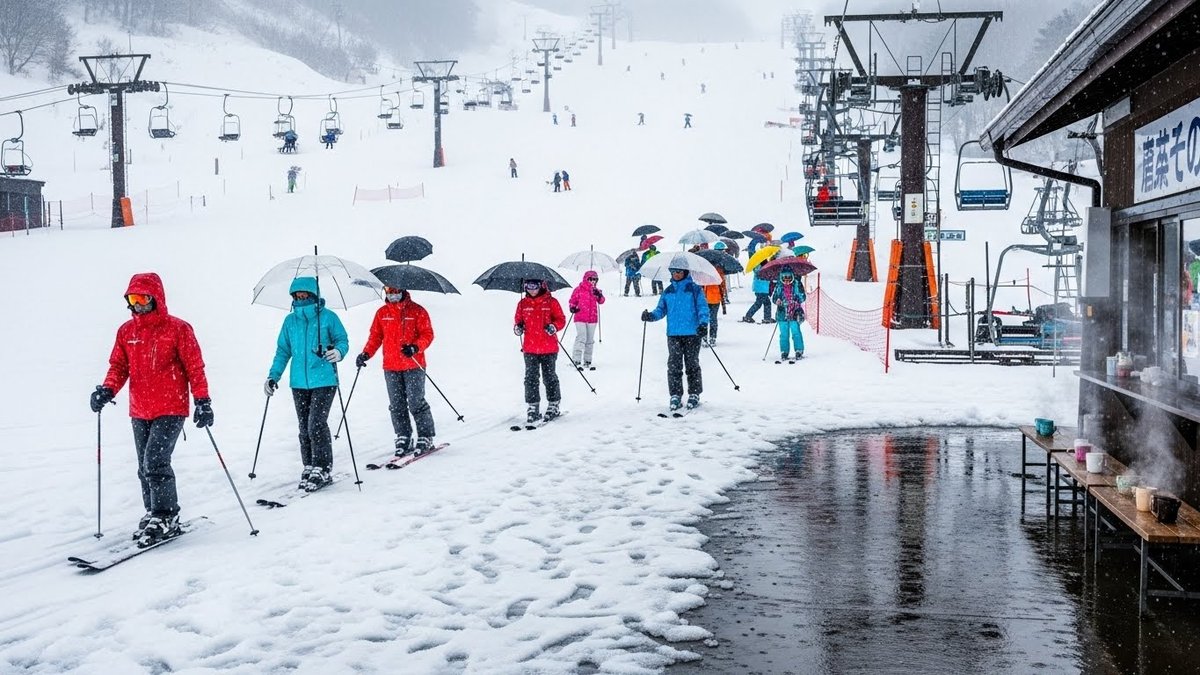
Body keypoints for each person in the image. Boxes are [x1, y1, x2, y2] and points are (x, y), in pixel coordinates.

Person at [89, 272, 212, 547]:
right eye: (133, 299)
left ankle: (166, 515)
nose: (138, 304)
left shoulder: (178, 329)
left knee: (155, 461)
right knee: (143, 466)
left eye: (143, 298)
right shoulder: (126, 332)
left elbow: (195, 367)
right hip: (140, 409)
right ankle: (153, 511)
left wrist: (203, 401)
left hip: (171, 406)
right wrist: (107, 390)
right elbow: (118, 366)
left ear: (156, 298)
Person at [264, 277, 349, 493]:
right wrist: (273, 376)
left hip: (325, 380)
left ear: (313, 295)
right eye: (297, 296)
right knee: (304, 427)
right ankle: (309, 465)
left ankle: (323, 468)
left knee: (316, 424)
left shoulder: (328, 317)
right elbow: (283, 351)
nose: (300, 299)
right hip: (299, 382)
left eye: (304, 295)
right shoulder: (290, 321)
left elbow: (342, 340)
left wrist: (338, 352)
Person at [355, 287, 435, 457]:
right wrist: (366, 353)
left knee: (416, 402)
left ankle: (426, 436)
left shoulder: (417, 311)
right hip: (391, 366)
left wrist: (415, 347)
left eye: (395, 291)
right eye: (389, 291)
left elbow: (427, 334)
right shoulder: (382, 313)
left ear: (402, 291)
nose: (392, 295)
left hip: (413, 364)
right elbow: (375, 336)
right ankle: (403, 436)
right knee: (396, 405)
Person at [641, 267, 708, 411]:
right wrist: (650, 316)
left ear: (685, 272)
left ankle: (694, 393)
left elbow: (703, 307)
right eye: (673, 272)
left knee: (692, 364)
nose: (676, 274)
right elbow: (661, 310)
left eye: (679, 271)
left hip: (692, 333)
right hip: (673, 334)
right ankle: (675, 394)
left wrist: (703, 323)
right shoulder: (668, 291)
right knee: (674, 365)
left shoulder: (694, 289)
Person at [514, 280, 566, 424]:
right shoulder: (522, 304)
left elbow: (561, 319)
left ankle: (554, 403)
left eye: (534, 286)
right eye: (528, 286)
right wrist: (518, 328)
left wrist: (554, 327)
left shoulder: (551, 302)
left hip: (549, 348)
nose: (531, 289)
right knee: (530, 378)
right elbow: (518, 321)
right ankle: (533, 406)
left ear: (541, 286)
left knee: (549, 377)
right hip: (530, 348)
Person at [568, 271, 605, 369]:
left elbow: (601, 301)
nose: (593, 281)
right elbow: (572, 301)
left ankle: (587, 360)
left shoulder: (596, 290)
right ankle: (576, 359)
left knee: (590, 340)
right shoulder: (578, 289)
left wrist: (599, 295)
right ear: (586, 279)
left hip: (592, 318)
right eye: (591, 279)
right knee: (581, 337)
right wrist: (572, 307)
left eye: (595, 279)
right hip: (580, 317)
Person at [771, 269, 807, 360]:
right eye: (784, 279)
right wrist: (777, 300)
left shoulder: (797, 285)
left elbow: (803, 297)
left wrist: (796, 300)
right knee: (784, 334)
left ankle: (799, 350)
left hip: (794, 312)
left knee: (796, 332)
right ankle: (784, 351)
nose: (787, 281)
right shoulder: (779, 286)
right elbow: (774, 298)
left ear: (792, 277)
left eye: (789, 279)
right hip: (782, 312)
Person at [703, 268, 725, 346]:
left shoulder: (704, 270)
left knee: (705, 318)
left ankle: (705, 337)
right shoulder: (719, 271)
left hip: (707, 298)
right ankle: (712, 337)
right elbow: (723, 286)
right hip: (715, 298)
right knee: (713, 318)